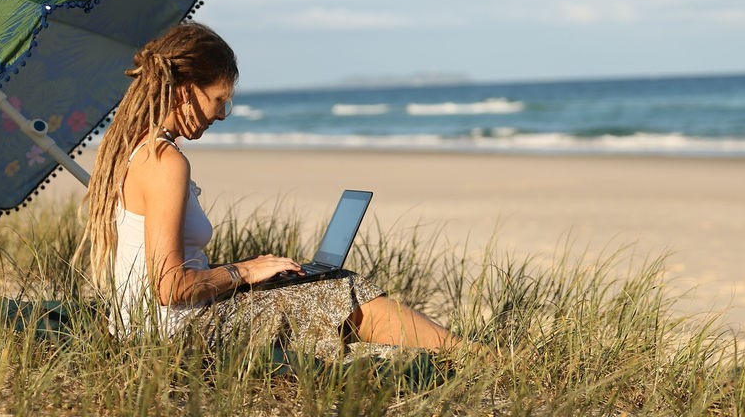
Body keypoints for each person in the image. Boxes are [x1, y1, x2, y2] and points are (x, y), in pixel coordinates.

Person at [74, 22, 458, 359]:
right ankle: (471, 357)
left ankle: (456, 353)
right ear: (186, 91)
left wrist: (245, 275)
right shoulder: (165, 162)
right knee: (345, 287)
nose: (220, 116)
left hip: (145, 330)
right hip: (178, 336)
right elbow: (170, 286)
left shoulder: (132, 150)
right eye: (218, 100)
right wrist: (246, 269)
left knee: (318, 287)